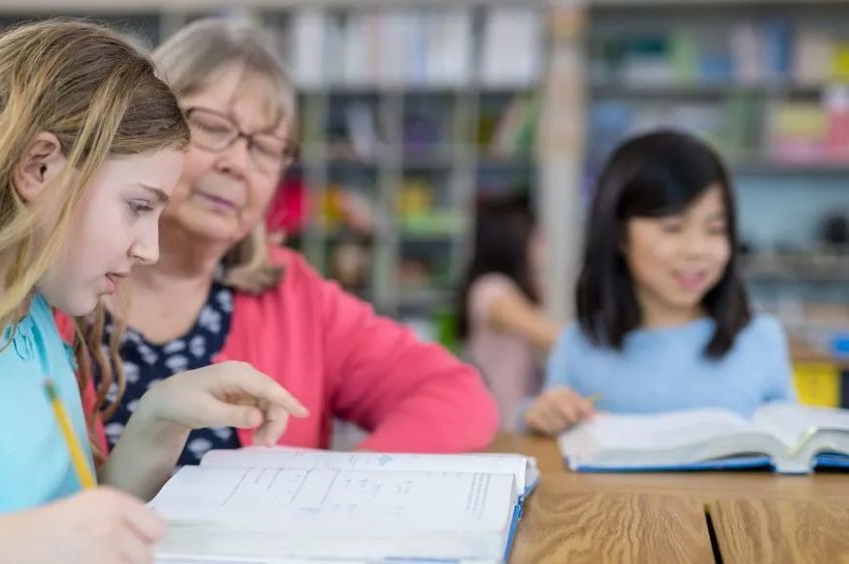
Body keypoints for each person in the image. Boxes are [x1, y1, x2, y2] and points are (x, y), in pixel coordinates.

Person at [0, 21, 306, 562]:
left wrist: (161, 417)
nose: (149, 249)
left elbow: (78, 523)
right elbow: (45, 536)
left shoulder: (29, 313)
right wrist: (24, 541)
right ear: (39, 167)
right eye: (138, 206)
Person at [70, 18, 498, 464]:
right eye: (213, 127)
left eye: (265, 147)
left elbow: (457, 393)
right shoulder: (66, 284)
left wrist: (345, 486)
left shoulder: (296, 298)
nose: (237, 162)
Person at [524, 130, 795, 436]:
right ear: (618, 235)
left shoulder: (761, 339)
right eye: (673, 227)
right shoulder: (579, 345)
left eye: (715, 229)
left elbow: (792, 451)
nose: (696, 249)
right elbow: (551, 443)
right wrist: (543, 416)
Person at [457, 193, 559, 431]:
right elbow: (552, 336)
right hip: (501, 424)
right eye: (538, 238)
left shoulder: (506, 291)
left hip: (511, 420)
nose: (543, 247)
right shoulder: (491, 289)